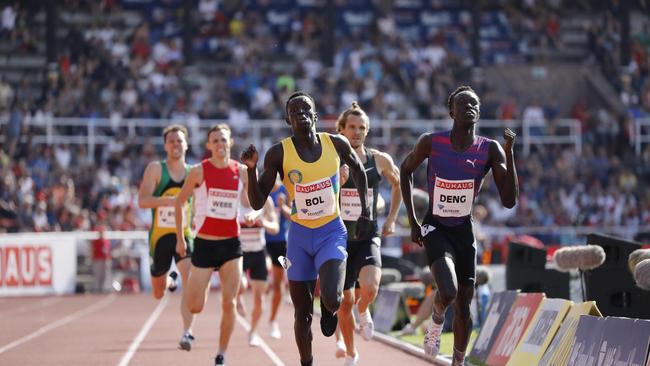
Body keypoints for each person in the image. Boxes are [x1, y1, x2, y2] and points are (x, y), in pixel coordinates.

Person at [240, 91, 373, 366]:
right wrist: (251, 170)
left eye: (306, 109)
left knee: (334, 299)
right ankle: (306, 362)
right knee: (302, 314)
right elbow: (256, 200)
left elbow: (360, 172)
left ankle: (329, 310)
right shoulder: (278, 153)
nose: (301, 113)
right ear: (288, 119)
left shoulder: (335, 143)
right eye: (294, 110)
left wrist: (366, 212)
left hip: (331, 232)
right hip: (299, 238)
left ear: (314, 115)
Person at [399, 86, 518, 366]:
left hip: (464, 231)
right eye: (463, 104)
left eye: (475, 104)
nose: (470, 108)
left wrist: (510, 155)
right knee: (449, 291)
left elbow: (509, 201)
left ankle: (458, 361)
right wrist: (414, 222)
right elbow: (405, 170)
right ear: (451, 111)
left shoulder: (490, 148)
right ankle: (437, 318)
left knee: (464, 304)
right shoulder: (431, 142)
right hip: (435, 227)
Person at [334, 101, 402, 365]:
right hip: (339, 238)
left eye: (362, 127)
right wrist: (334, 182)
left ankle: (365, 310)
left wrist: (392, 218)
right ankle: (351, 352)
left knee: (371, 288)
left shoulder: (379, 160)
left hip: (368, 235)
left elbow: (399, 185)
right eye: (351, 127)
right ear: (341, 129)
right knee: (343, 303)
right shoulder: (331, 159)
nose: (357, 132)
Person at [174, 123, 247, 366]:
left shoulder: (242, 171)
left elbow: (252, 200)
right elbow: (179, 202)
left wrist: (256, 211)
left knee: (230, 302)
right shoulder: (198, 171)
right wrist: (180, 237)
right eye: (215, 141)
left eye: (223, 140)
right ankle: (201, 286)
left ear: (230, 143)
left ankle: (221, 354)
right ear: (209, 146)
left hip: (231, 246)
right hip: (205, 245)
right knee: (195, 306)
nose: (220, 145)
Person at [137, 124, 196, 350]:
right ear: (165, 146)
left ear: (186, 144)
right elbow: (143, 201)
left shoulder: (194, 172)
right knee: (158, 292)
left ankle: (187, 332)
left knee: (190, 280)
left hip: (185, 235)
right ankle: (170, 279)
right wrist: (171, 202)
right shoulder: (155, 170)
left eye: (179, 141)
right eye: (171, 141)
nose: (175, 145)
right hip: (160, 237)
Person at [237, 191, 279, 346]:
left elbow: (275, 227)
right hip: (239, 252)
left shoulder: (265, 200)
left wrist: (263, 223)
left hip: (258, 252)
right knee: (240, 284)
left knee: (259, 300)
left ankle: (252, 332)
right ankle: (238, 297)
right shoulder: (234, 196)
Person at [265, 177, 291, 339]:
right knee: (266, 275)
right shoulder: (263, 189)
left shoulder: (286, 190)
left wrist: (283, 206)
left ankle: (273, 320)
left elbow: (293, 216)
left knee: (278, 282)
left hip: (281, 243)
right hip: (261, 241)